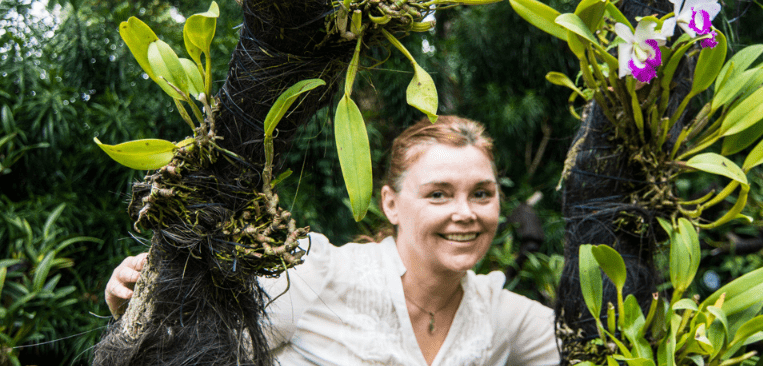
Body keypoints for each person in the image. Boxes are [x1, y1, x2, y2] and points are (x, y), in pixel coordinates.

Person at [105, 116, 560, 365]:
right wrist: (139, 296)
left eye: (482, 193)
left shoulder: (501, 316)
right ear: (391, 204)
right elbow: (196, 346)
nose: (466, 213)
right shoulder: (317, 274)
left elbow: (608, 345)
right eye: (438, 194)